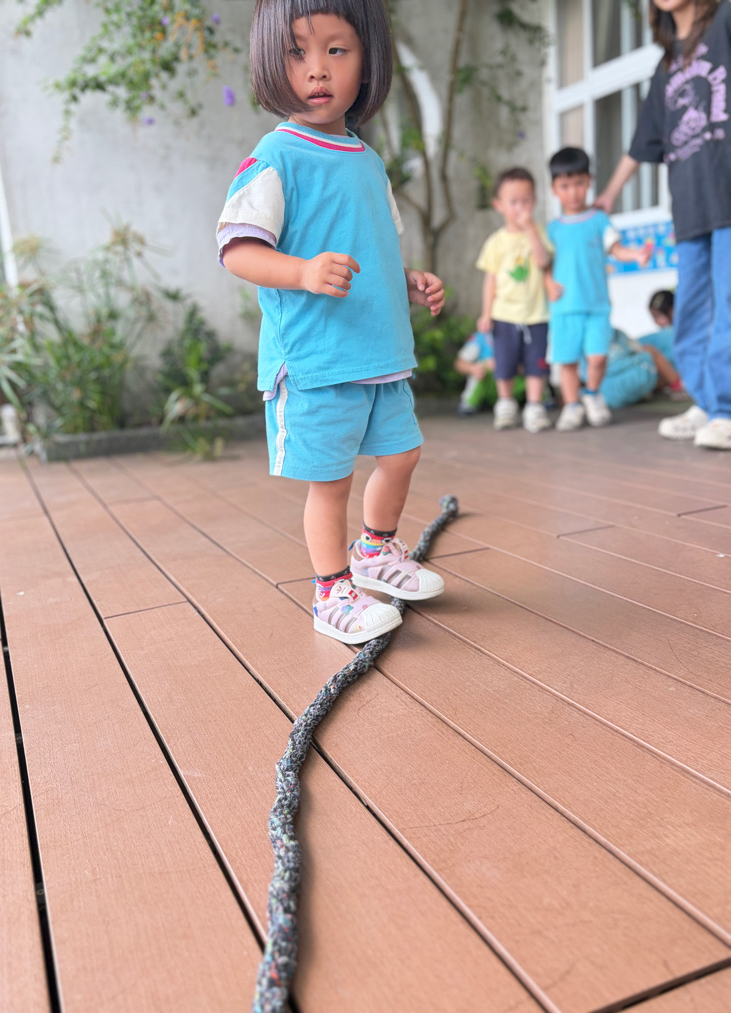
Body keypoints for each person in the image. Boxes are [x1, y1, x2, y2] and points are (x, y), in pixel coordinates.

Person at [217, 0, 446, 645]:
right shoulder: (276, 156)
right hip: (316, 359)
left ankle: (375, 550)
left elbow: (377, 248)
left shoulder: (367, 161)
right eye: (297, 53)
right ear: (272, 63)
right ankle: (330, 592)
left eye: (336, 50)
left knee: (402, 454)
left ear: (367, 61)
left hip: (379, 353)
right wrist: (302, 271)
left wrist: (407, 280)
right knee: (330, 481)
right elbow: (237, 250)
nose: (316, 69)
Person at [596, 0, 731, 450]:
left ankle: (726, 410)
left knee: (728, 306)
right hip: (690, 211)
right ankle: (708, 403)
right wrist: (609, 195)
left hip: (728, 199)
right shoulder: (666, 65)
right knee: (689, 313)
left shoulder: (725, 22)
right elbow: (641, 144)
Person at [545, 147, 650, 431]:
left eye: (579, 183)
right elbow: (543, 263)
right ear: (554, 189)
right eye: (565, 186)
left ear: (589, 181)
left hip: (597, 306)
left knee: (598, 357)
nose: (573, 192)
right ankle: (571, 405)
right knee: (567, 361)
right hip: (564, 308)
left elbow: (616, 249)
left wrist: (636, 255)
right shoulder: (552, 229)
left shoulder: (599, 220)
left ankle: (591, 394)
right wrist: (547, 283)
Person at [476, 168, 554, 433]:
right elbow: (490, 281)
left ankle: (534, 406)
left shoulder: (539, 233)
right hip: (504, 315)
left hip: (536, 314)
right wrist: (486, 313)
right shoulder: (496, 242)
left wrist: (530, 229)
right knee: (504, 362)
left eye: (526, 201)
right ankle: (506, 404)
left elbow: (543, 261)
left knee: (536, 364)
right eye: (513, 202)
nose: (520, 207)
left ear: (535, 201)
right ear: (499, 205)